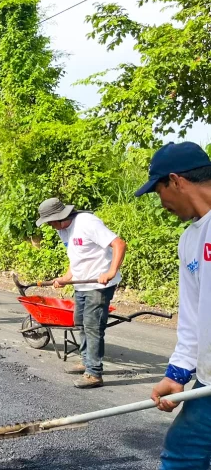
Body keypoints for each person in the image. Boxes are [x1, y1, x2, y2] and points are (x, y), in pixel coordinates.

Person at [135, 141, 211, 468]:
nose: (161, 202)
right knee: (182, 454)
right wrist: (177, 373)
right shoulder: (190, 240)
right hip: (208, 383)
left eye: (158, 191)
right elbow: (193, 317)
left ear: (176, 181)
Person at [36, 197, 127, 389]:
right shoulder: (64, 230)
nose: (51, 226)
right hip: (82, 284)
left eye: (51, 222)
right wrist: (66, 278)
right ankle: (86, 361)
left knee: (93, 326)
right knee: (80, 323)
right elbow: (77, 258)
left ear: (60, 217)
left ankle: (94, 373)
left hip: (99, 285)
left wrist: (110, 272)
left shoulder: (87, 223)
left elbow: (119, 244)